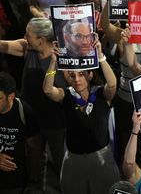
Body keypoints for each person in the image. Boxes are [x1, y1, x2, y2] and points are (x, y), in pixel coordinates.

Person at [42, 35, 120, 194]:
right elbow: (48, 90)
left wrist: (101, 57)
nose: (77, 79)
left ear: (90, 75)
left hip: (101, 158)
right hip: (73, 160)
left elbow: (112, 84)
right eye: (72, 75)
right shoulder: (66, 95)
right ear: (68, 78)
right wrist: (53, 62)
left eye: (81, 74)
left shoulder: (100, 94)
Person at [0, 17, 68, 192]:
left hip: (55, 123)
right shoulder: (27, 48)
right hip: (28, 120)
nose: (24, 36)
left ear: (41, 40)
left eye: (28, 34)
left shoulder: (63, 59)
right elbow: (3, 45)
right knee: (31, 157)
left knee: (61, 161)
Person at [0, 72, 43, 193]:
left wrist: (33, 179)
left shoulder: (24, 111)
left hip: (15, 181)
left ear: (11, 97)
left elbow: (35, 148)